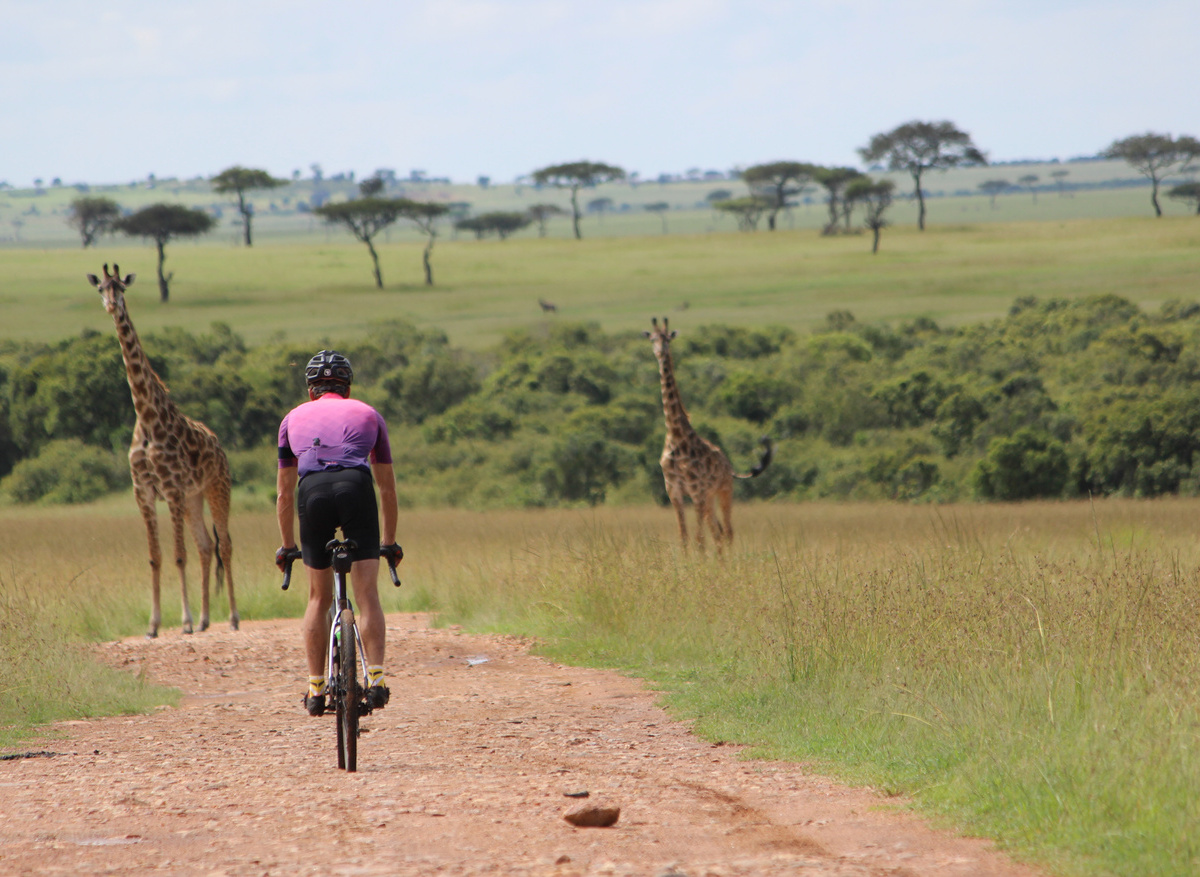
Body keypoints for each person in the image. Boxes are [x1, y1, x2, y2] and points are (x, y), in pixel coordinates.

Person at [275, 350, 401, 716]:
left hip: (311, 492)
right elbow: (387, 489)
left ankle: (316, 688)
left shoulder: (291, 418)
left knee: (317, 598)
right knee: (367, 596)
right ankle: (376, 680)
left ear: (311, 389)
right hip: (356, 488)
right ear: (347, 387)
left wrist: (287, 547)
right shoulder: (368, 414)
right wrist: (388, 543)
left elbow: (284, 492)